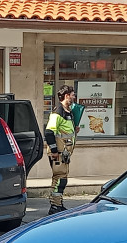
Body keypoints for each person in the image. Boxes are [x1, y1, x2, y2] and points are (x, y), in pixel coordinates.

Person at [44, 85, 76, 215]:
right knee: (59, 178)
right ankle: (55, 206)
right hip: (58, 153)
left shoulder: (68, 111)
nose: (74, 97)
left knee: (62, 178)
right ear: (67, 95)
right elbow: (49, 132)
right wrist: (54, 150)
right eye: (73, 94)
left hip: (65, 153)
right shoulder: (58, 112)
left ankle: (58, 203)